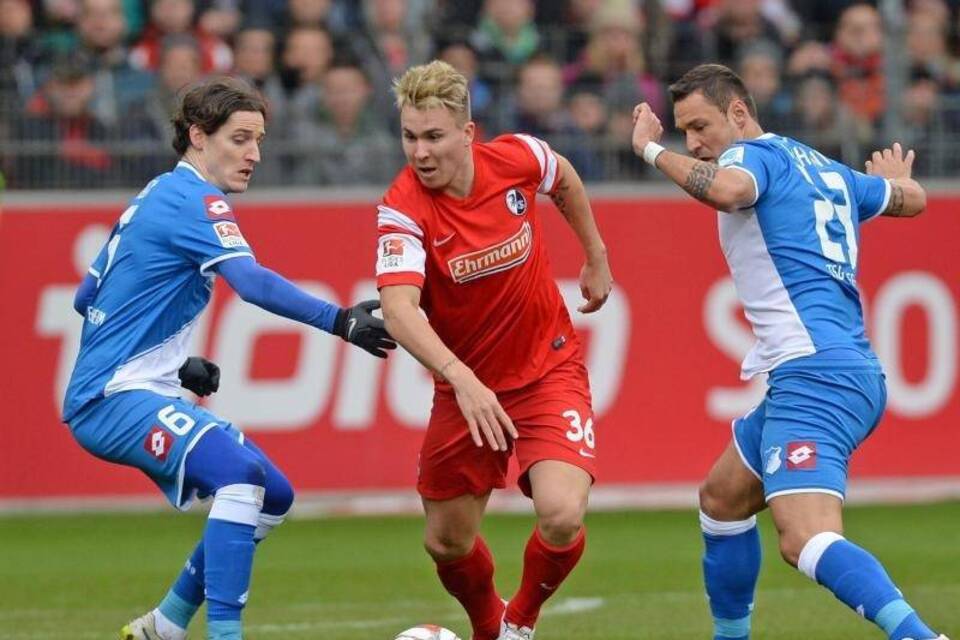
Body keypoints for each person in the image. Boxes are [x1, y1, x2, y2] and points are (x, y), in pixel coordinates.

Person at [62, 76, 395, 640]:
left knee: (275, 494)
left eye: (259, 140)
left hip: (129, 387)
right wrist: (339, 321)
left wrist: (172, 363)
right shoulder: (196, 199)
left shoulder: (156, 194)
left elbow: (86, 296)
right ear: (198, 135)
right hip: (109, 400)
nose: (254, 155)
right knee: (240, 478)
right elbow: (250, 282)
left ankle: (164, 624)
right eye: (240, 139)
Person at [630, 63, 948, 640]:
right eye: (682, 133)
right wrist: (897, 182)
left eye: (701, 126)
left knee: (803, 537)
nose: (694, 143)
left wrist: (651, 150)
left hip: (816, 374)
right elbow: (914, 199)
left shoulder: (750, 158)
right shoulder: (824, 166)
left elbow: (728, 192)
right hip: (831, 370)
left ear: (739, 113)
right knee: (722, 500)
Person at [377, 60, 613, 640]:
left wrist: (596, 254)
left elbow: (566, 181)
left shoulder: (518, 158)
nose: (420, 152)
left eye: (433, 136)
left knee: (561, 513)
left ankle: (518, 625)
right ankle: (487, 626)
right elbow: (400, 310)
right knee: (446, 541)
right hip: (466, 389)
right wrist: (461, 379)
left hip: (546, 367)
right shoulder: (402, 208)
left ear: (467, 133)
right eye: (410, 136)